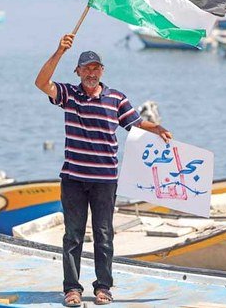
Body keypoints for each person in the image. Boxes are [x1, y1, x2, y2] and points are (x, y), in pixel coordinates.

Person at [35, 34, 172, 306]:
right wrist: (59, 51)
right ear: (77, 72)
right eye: (86, 68)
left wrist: (156, 128)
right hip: (74, 178)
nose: (91, 72)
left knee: (104, 235)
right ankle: (72, 289)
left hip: (105, 180)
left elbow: (133, 122)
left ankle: (103, 287)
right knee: (72, 235)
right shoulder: (68, 95)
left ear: (102, 71)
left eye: (95, 68)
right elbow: (41, 83)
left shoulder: (116, 98)